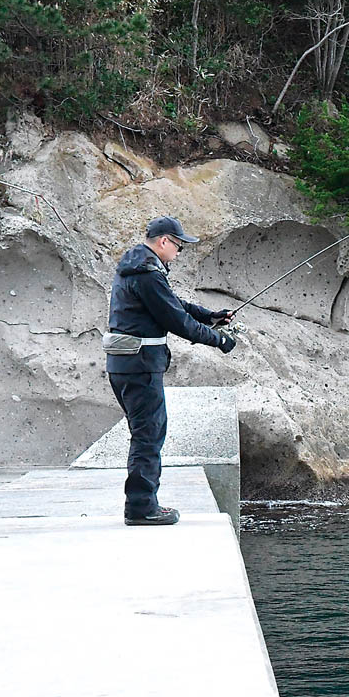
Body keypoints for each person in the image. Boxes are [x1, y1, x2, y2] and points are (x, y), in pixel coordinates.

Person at [105, 216, 237, 526]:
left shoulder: (136, 267)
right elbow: (175, 321)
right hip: (141, 366)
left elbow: (172, 304)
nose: (178, 253)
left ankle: (142, 503)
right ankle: (142, 508)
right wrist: (218, 339)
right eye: (178, 247)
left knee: (144, 434)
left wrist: (209, 316)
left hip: (125, 364)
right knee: (148, 436)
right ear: (164, 241)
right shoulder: (148, 273)